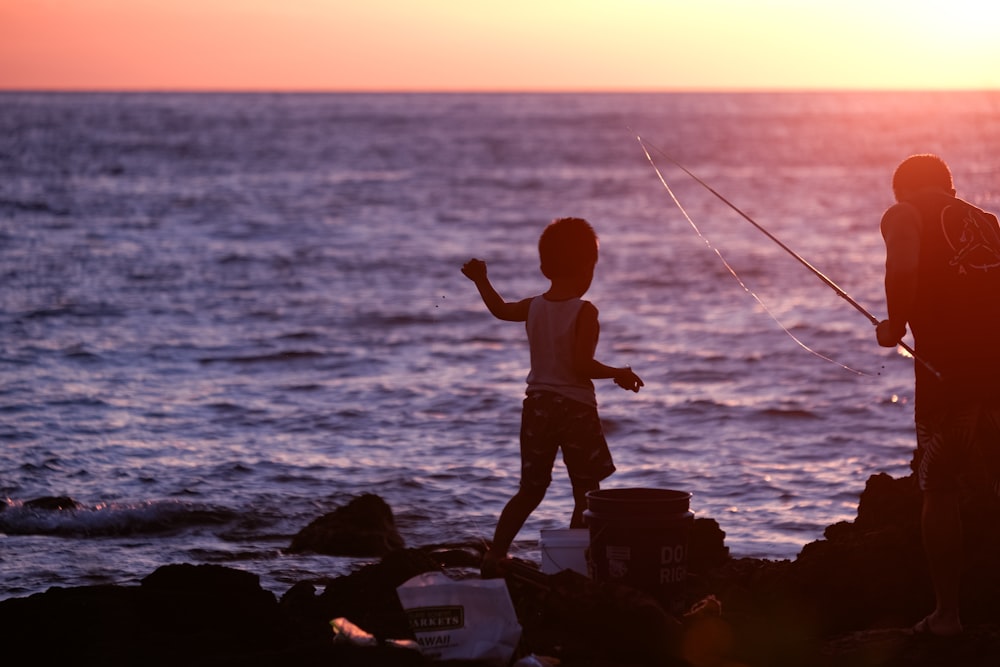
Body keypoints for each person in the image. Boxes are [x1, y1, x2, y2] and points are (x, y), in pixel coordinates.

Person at [462, 217, 643, 576]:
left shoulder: (533, 307)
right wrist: (618, 373)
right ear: (589, 269)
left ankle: (494, 556)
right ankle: (580, 564)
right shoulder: (585, 312)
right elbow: (581, 365)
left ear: (544, 266)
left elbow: (499, 310)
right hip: (575, 409)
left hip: (538, 407)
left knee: (530, 490)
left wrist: (482, 280)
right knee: (586, 491)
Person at [876, 154, 1000, 638]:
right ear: (950, 187)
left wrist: (895, 325)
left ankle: (948, 615)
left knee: (940, 486)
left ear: (902, 190)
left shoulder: (905, 212)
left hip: (949, 370)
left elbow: (903, 263)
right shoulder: (987, 220)